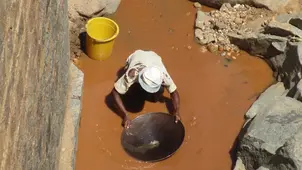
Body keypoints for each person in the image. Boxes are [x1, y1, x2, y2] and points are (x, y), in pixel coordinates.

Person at [111, 50, 180, 128]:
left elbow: (174, 92)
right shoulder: (132, 74)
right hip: (136, 56)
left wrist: (176, 111)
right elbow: (115, 92)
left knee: (156, 97)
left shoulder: (163, 76)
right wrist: (125, 115)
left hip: (154, 57)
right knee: (131, 93)